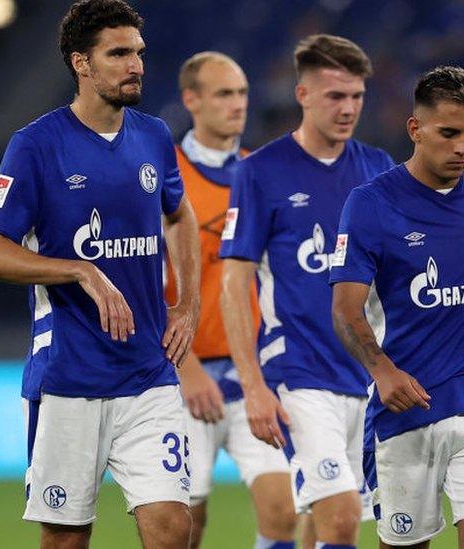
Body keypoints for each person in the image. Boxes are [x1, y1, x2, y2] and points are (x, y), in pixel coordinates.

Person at [0, 0, 200, 547]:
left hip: (148, 371)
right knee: (67, 538)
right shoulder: (36, 146)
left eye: (138, 53)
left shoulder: (153, 137)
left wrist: (188, 302)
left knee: (172, 526)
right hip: (70, 376)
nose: (136, 65)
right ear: (82, 63)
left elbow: (180, 215)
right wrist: (79, 271)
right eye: (118, 54)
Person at [330, 65, 464, 549]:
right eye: (448, 133)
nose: (462, 147)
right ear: (415, 128)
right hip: (406, 405)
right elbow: (345, 309)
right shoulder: (370, 204)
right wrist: (382, 371)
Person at [219, 34, 394, 549]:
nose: (348, 109)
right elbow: (234, 282)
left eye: (357, 96)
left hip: (365, 377)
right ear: (303, 95)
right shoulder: (259, 172)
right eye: (335, 96)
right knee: (338, 516)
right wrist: (252, 385)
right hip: (298, 372)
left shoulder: (379, 169)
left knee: (340, 528)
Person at [169, 51, 297, 549]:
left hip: (254, 379)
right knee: (182, 526)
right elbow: (140, 284)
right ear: (191, 100)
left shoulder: (263, 175)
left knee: (283, 512)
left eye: (243, 93)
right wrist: (187, 367)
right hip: (183, 379)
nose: (238, 104)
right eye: (224, 93)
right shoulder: (163, 178)